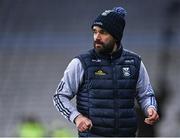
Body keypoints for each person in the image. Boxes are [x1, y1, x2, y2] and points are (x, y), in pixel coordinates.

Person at [53, 6, 159, 137]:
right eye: (95, 31)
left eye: (102, 32)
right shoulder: (81, 63)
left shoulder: (134, 62)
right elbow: (59, 96)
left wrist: (151, 108)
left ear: (116, 36)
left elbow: (146, 94)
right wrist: (77, 117)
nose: (97, 37)